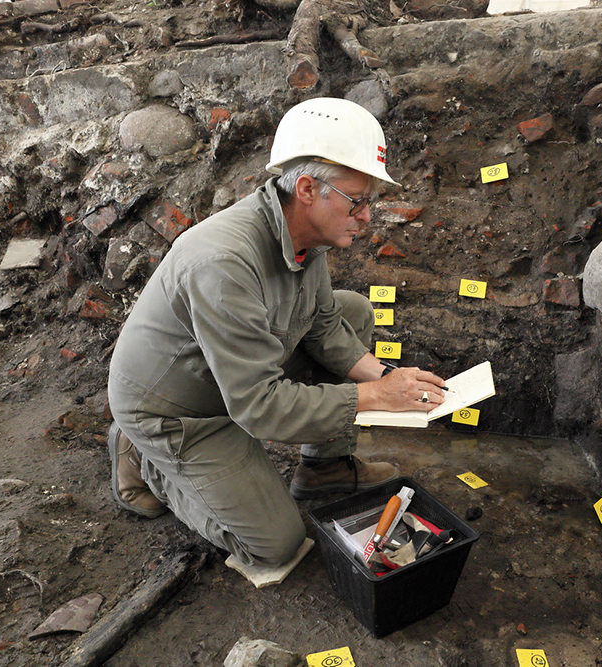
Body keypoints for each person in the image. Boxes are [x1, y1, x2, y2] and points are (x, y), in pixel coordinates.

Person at [106, 97, 448, 568]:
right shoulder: (223, 263)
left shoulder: (305, 232)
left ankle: (324, 469)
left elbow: (325, 322)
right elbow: (258, 407)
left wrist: (388, 375)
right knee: (275, 546)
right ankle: (142, 456)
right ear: (307, 188)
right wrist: (376, 397)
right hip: (180, 409)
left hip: (231, 380)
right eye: (359, 201)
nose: (367, 216)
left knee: (352, 312)